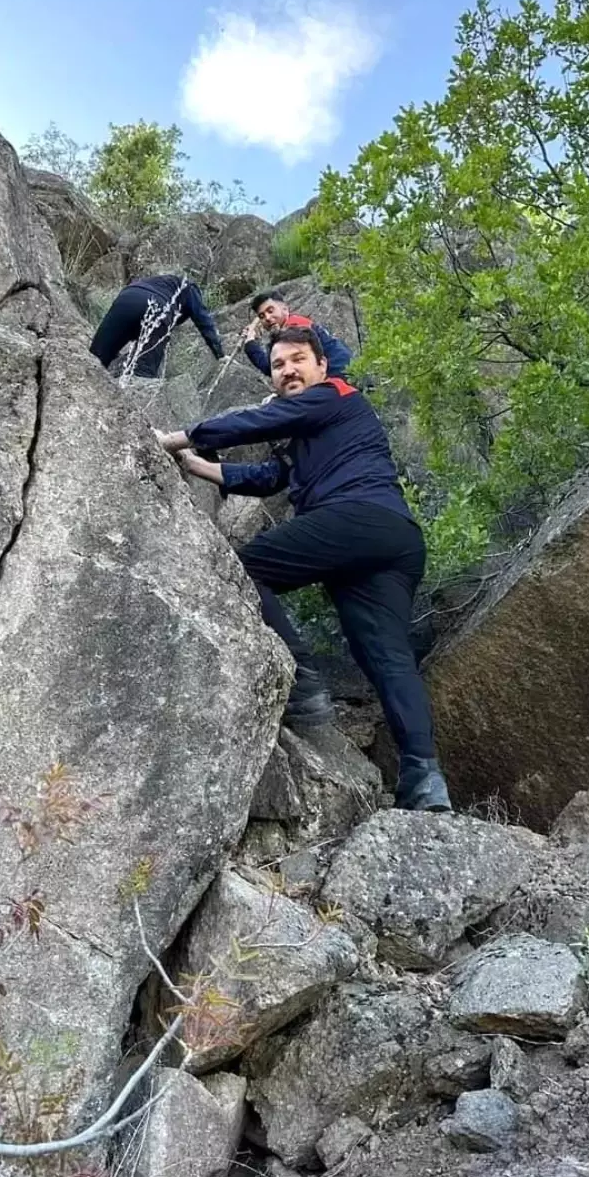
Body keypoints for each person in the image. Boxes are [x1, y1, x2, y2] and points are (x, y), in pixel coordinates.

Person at [155, 326, 451, 813]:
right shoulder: (310, 430)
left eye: (297, 360)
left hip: (357, 517)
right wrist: (195, 464)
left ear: (321, 367)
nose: (288, 370)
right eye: (278, 365)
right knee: (386, 659)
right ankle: (424, 779)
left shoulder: (335, 395)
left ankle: (302, 683)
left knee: (243, 570)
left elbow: (254, 424)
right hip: (393, 538)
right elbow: (270, 476)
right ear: (272, 376)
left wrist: (173, 439)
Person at [91, 273, 224, 378]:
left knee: (95, 359)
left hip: (126, 298)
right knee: (142, 372)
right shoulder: (189, 287)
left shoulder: (157, 281)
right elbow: (205, 322)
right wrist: (220, 355)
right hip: (158, 307)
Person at [243, 292, 352, 379]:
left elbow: (271, 367)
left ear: (285, 309)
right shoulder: (297, 323)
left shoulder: (295, 327)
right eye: (262, 316)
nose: (267, 317)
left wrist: (250, 343)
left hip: (339, 378)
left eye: (271, 311)